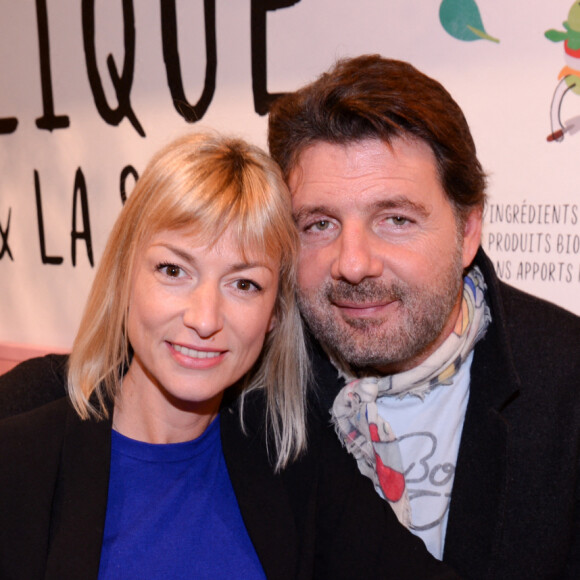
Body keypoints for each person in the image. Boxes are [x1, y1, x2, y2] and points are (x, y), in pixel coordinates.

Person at [0, 132, 457, 579]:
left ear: (275, 313)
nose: (204, 318)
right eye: (173, 270)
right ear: (124, 278)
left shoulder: (294, 457)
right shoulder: (21, 457)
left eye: (244, 284)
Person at [267, 55, 580, 579]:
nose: (352, 263)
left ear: (468, 230)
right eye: (319, 224)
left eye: (394, 219)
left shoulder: (568, 385)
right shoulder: (245, 391)